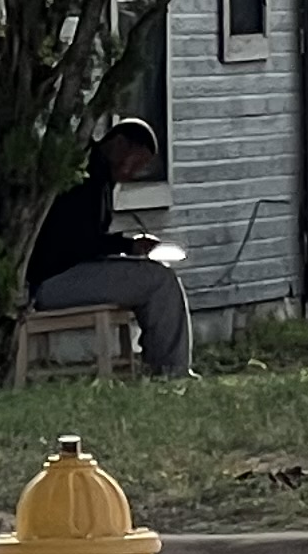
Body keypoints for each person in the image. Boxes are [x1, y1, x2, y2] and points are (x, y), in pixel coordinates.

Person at [25, 116, 193, 378]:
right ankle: (170, 370)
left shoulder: (100, 178)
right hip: (53, 279)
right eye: (135, 162)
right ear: (118, 144)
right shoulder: (82, 176)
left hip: (64, 272)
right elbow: (78, 242)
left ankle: (163, 363)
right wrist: (127, 245)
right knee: (160, 280)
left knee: (154, 275)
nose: (133, 172)